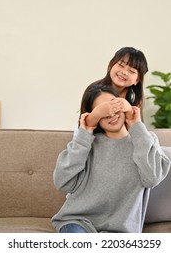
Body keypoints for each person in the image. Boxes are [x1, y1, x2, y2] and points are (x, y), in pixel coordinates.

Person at [52, 84, 170, 233]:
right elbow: (62, 183)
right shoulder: (87, 143)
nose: (111, 114)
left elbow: (152, 178)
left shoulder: (145, 140)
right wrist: (85, 131)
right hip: (78, 222)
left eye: (114, 105)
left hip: (120, 231)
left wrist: (136, 125)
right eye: (102, 111)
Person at [79, 46, 148, 127]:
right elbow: (83, 126)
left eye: (132, 71)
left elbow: (138, 131)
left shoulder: (136, 98)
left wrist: (129, 111)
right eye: (121, 65)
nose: (124, 72)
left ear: (137, 80)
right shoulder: (93, 89)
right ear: (111, 64)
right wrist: (99, 112)